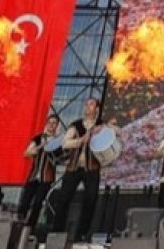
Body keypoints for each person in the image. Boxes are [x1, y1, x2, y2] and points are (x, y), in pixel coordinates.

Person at [51, 98, 111, 241]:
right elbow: (65, 143)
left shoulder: (102, 125)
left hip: (92, 168)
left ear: (97, 109)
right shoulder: (76, 125)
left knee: (90, 200)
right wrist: (80, 140)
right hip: (74, 167)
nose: (88, 107)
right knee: (64, 199)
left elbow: (112, 137)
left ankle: (81, 234)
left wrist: (107, 129)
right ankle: (56, 232)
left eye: (91, 104)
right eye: (87, 104)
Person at [18, 115, 62, 227]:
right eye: (50, 122)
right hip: (34, 176)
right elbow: (27, 153)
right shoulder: (38, 138)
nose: (51, 125)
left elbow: (61, 159)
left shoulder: (59, 141)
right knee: (25, 200)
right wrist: (41, 146)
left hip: (47, 177)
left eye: (54, 123)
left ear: (57, 126)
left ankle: (30, 227)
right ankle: (19, 223)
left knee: (38, 203)